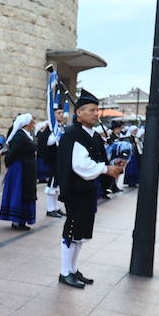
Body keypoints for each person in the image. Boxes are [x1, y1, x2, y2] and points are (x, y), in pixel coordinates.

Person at [55, 90, 125, 289]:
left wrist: (113, 163)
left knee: (81, 232)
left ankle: (73, 269)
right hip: (76, 190)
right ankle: (64, 272)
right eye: (92, 110)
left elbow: (97, 159)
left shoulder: (92, 135)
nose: (96, 114)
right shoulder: (73, 134)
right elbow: (81, 166)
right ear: (79, 113)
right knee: (72, 229)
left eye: (97, 110)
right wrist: (106, 169)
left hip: (88, 190)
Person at [0, 113, 37, 230]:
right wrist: (10, 164)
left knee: (25, 192)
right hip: (20, 168)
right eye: (32, 122)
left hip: (26, 168)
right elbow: (13, 153)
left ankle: (22, 220)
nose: (33, 124)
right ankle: (16, 220)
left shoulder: (27, 135)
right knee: (18, 192)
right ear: (27, 123)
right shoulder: (20, 136)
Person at [38, 108, 65, 217]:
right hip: (52, 160)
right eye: (59, 113)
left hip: (60, 160)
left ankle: (55, 207)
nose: (62, 115)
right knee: (52, 185)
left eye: (62, 112)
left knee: (56, 185)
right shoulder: (48, 127)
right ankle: (50, 209)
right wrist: (56, 136)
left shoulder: (60, 126)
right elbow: (46, 143)